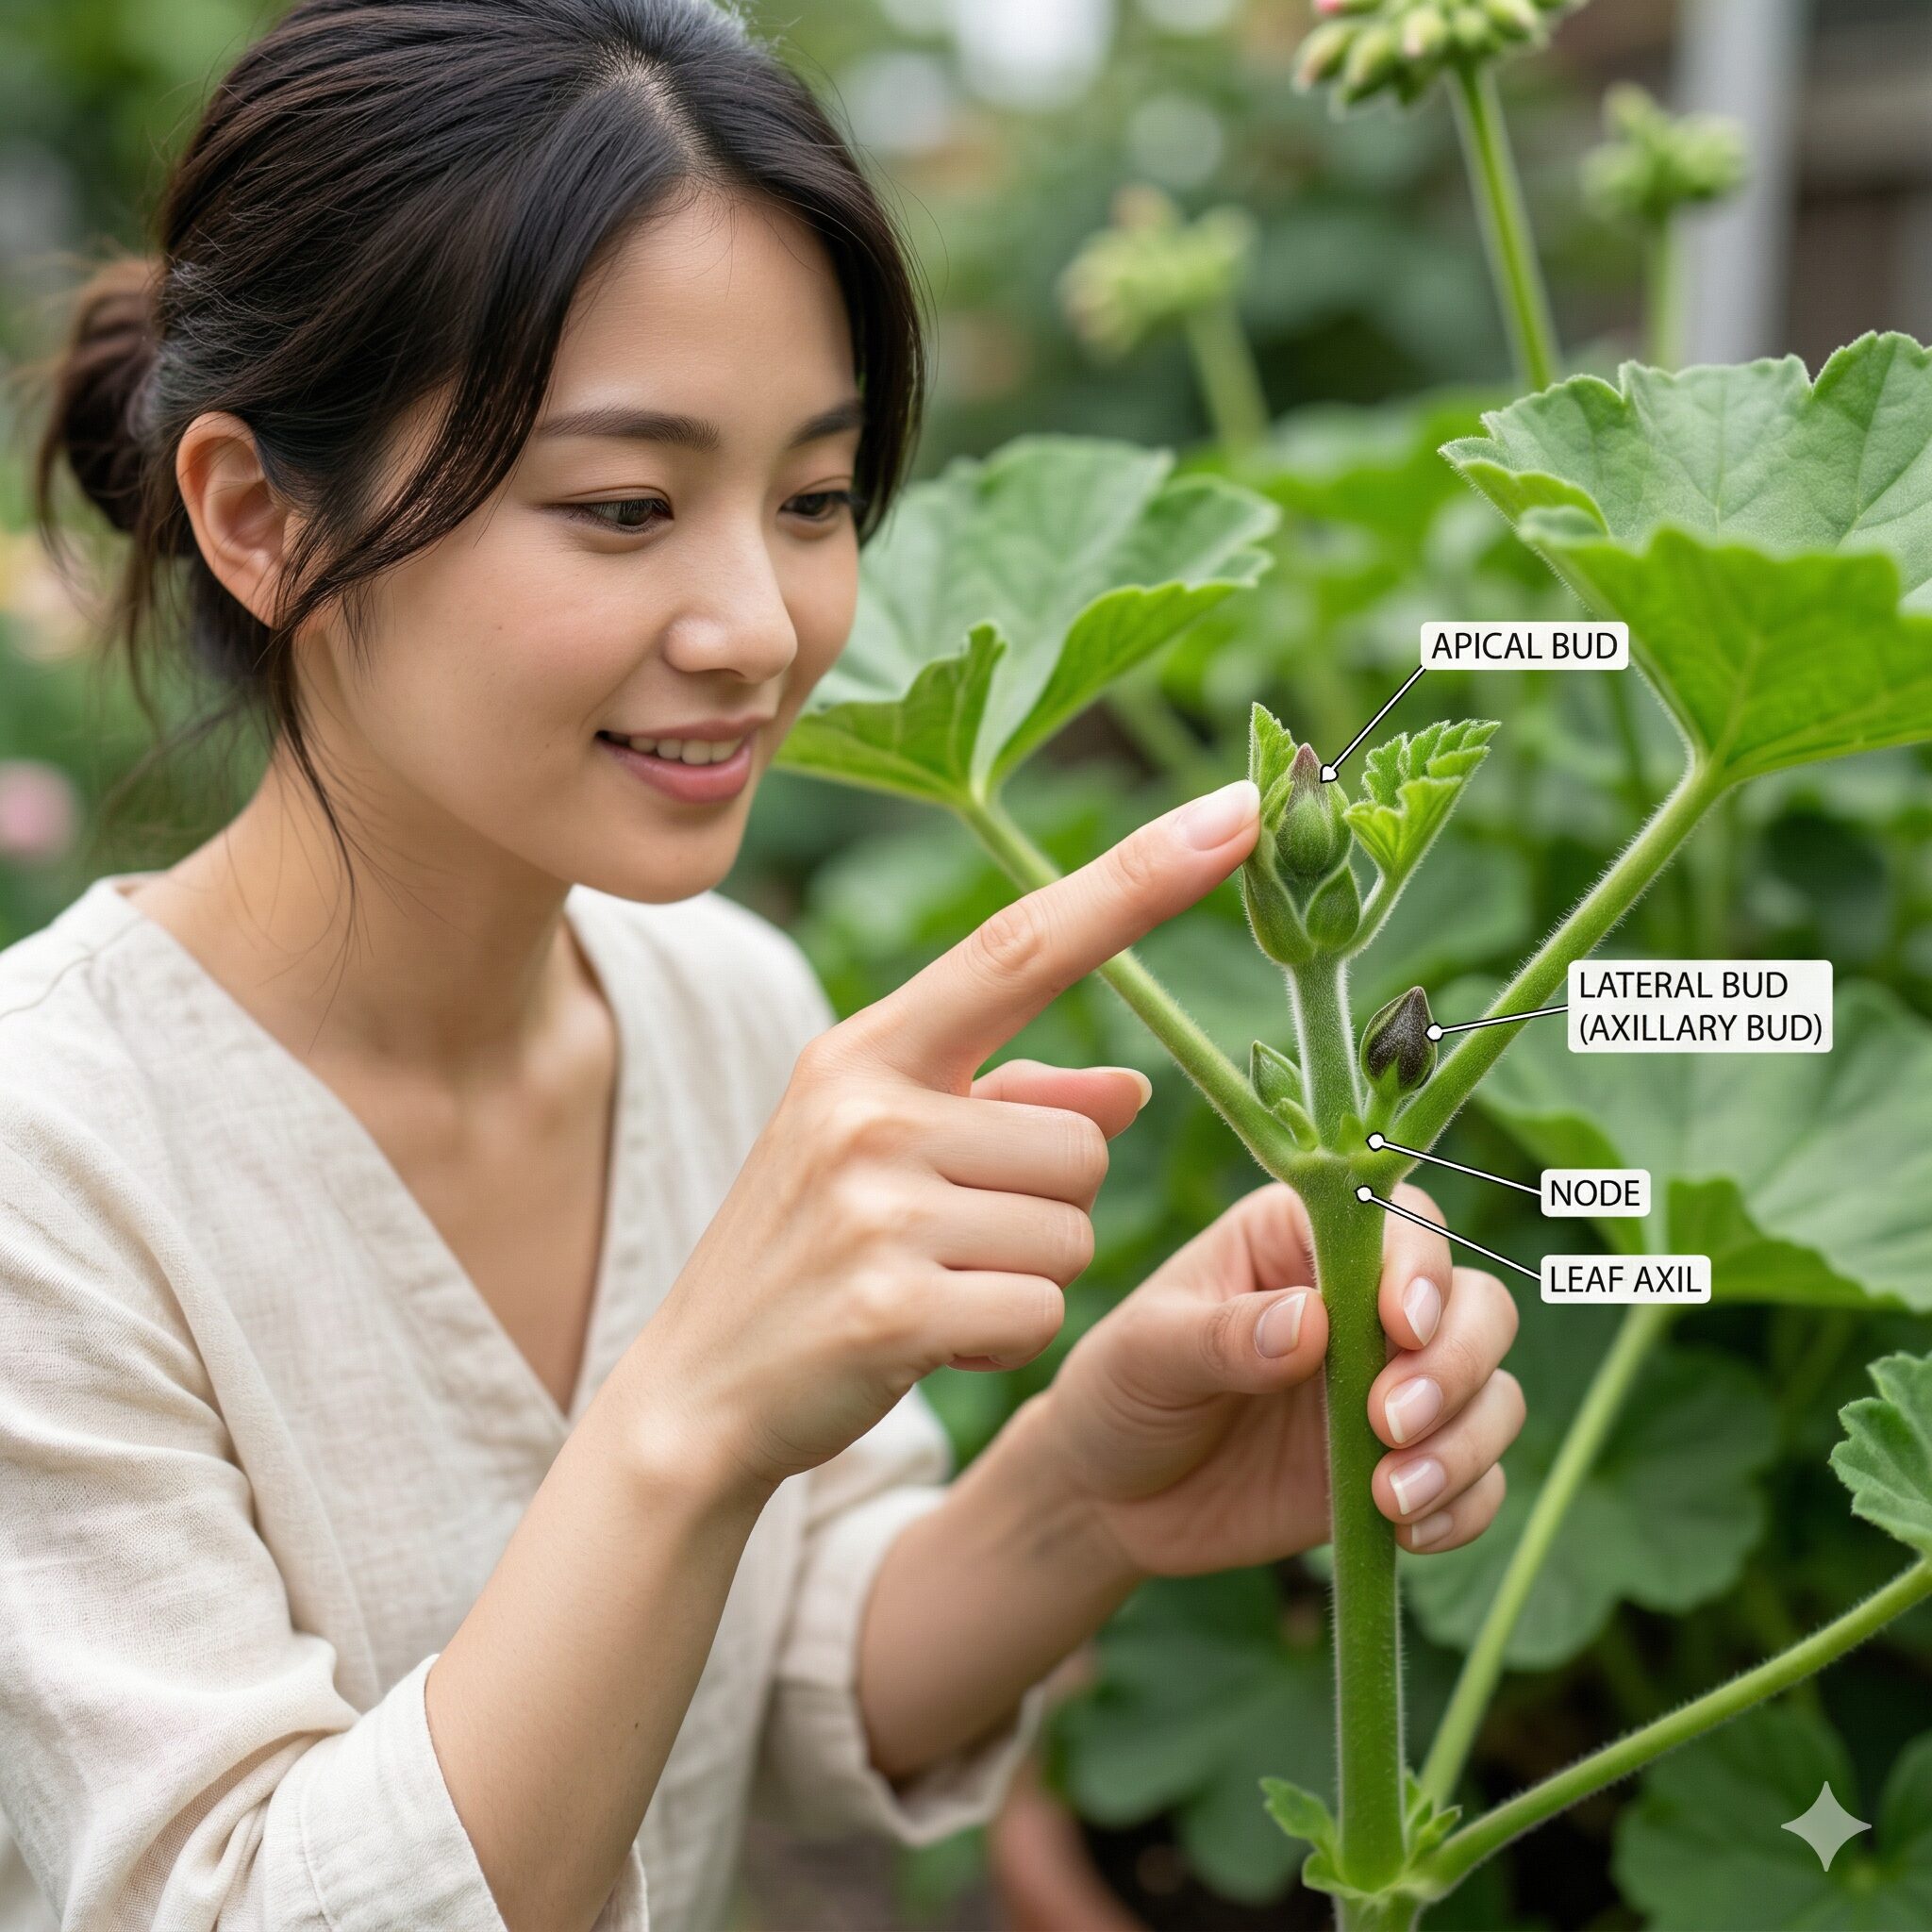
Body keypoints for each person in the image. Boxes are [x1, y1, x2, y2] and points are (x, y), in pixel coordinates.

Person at [4, 3, 1524, 1928]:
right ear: (259, 516)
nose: (759, 623)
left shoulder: (729, 1002)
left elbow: (787, 1694)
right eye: (624, 507)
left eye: (813, 500)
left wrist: (1085, 1491)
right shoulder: (43, 1163)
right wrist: (692, 1405)